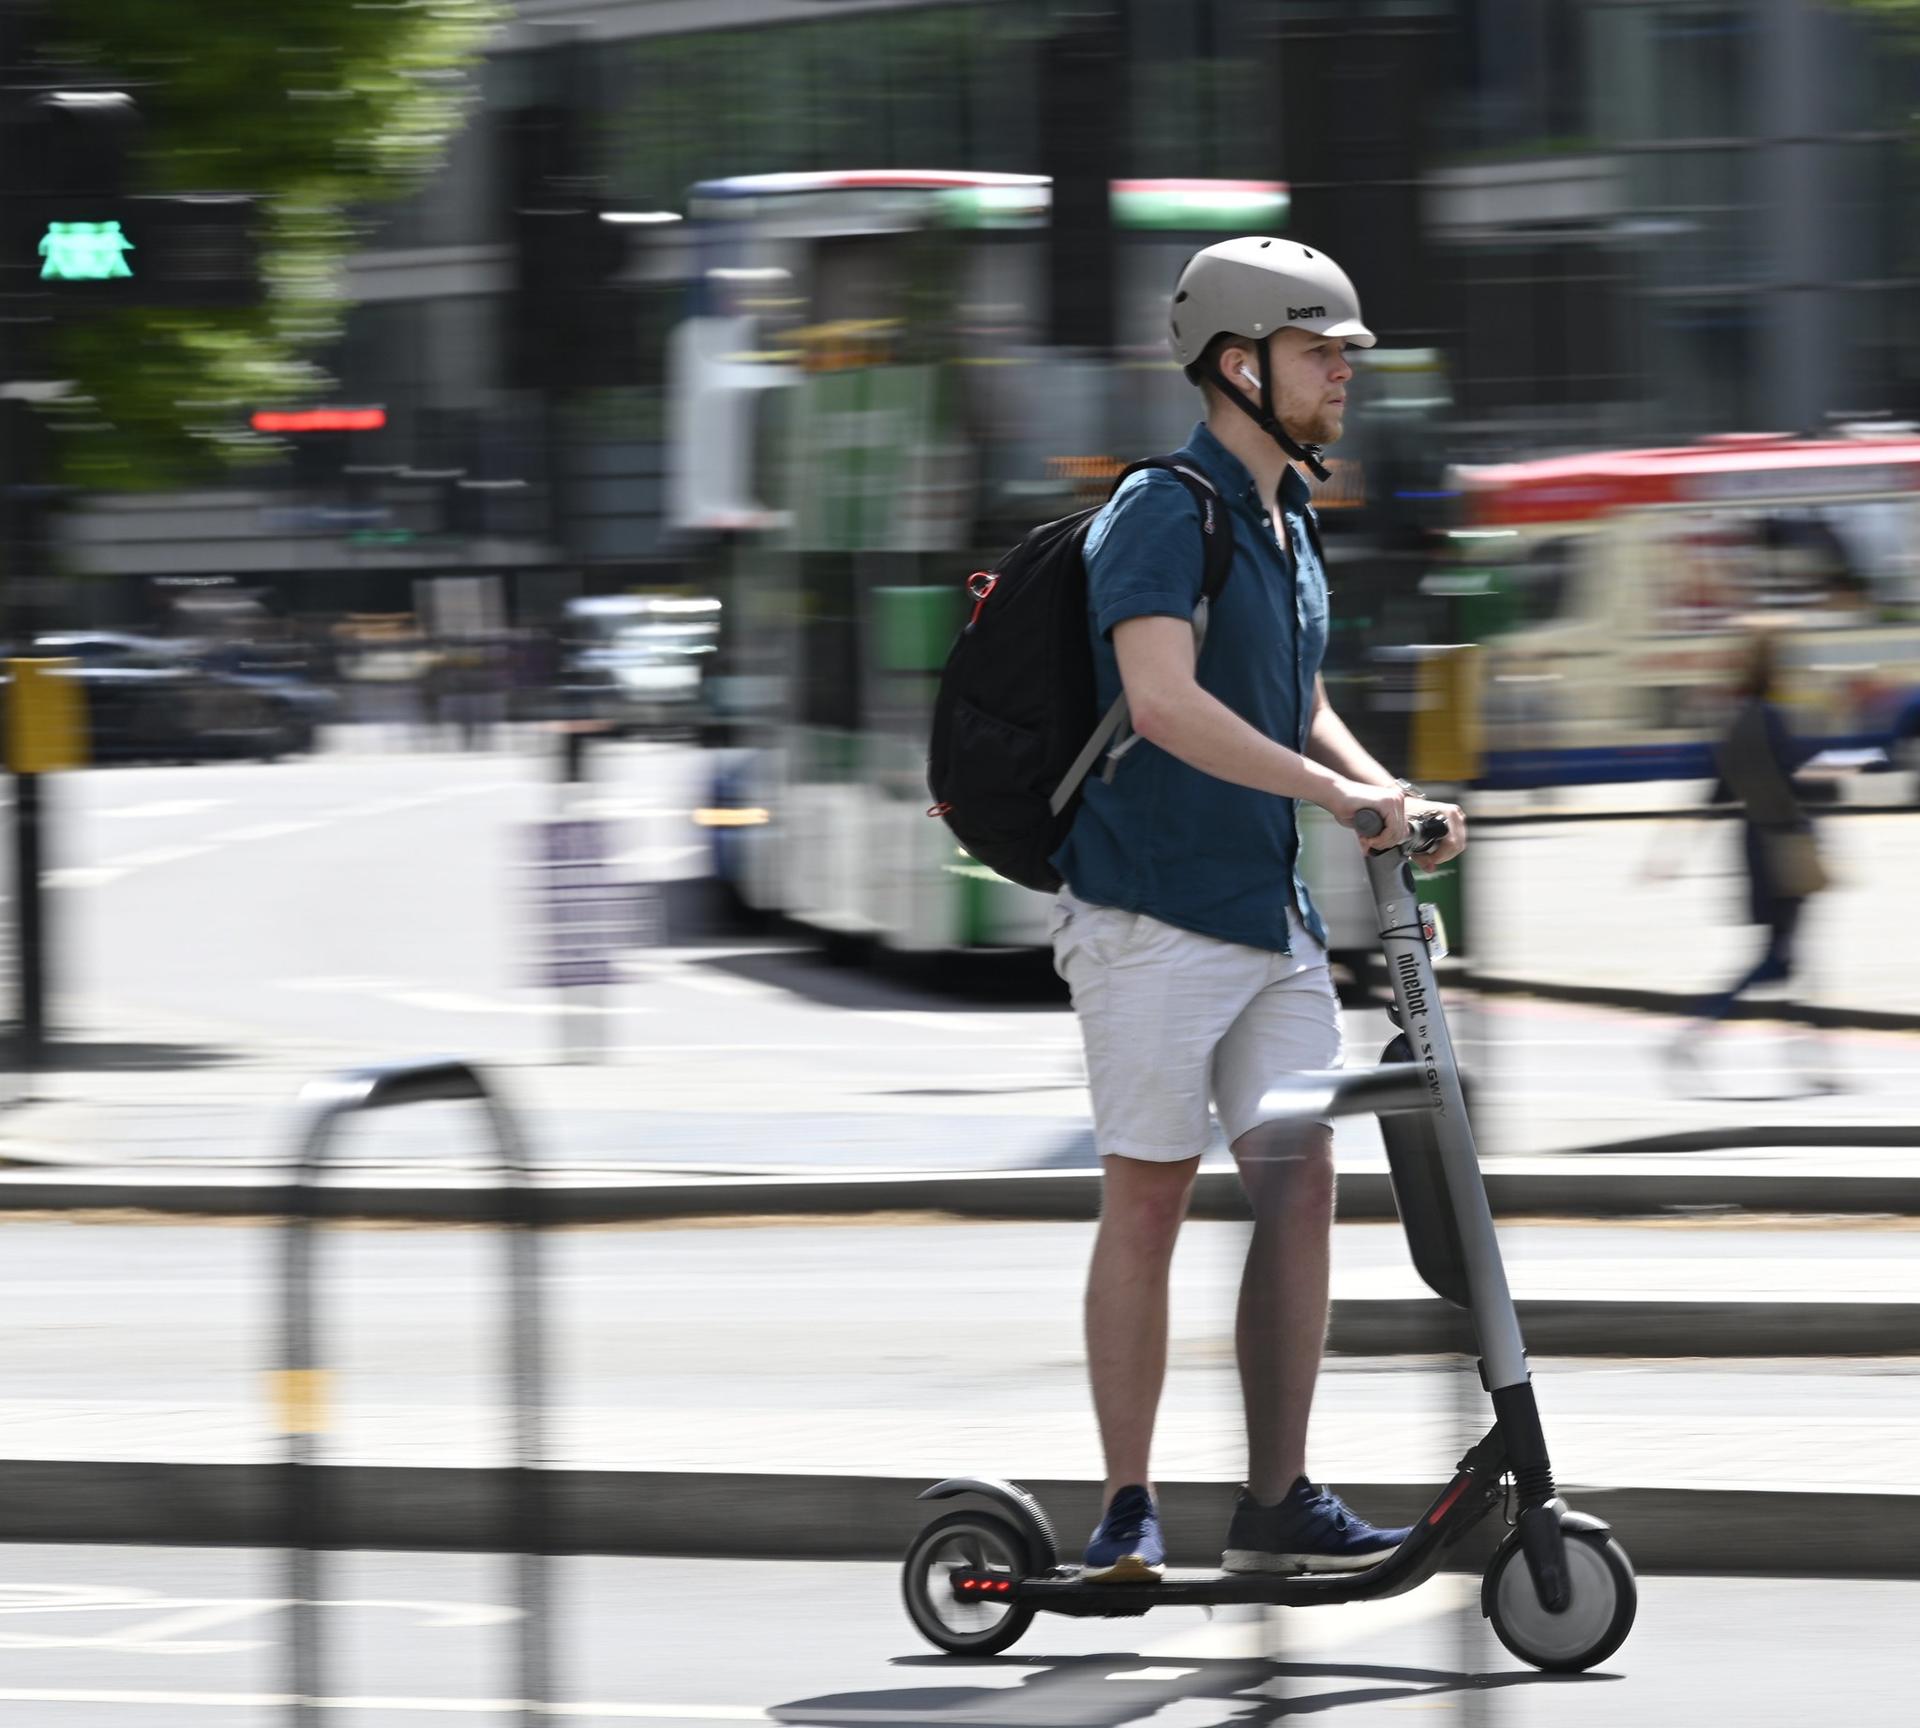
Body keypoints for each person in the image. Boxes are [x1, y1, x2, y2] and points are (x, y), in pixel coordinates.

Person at [1051, 237, 1467, 1582]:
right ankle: (1126, 1506)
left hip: (1266, 912)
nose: (1345, 368)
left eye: (1345, 348)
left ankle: (1278, 1494)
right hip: (1151, 909)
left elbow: (1300, 702)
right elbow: (1164, 702)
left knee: (1302, 1188)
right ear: (1239, 364)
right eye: (1316, 347)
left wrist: (1379, 786)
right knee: (1153, 1196)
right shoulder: (1164, 510)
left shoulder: (1289, 522)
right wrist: (1338, 803)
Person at [1664, 628, 1836, 1087]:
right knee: (1780, 959)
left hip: (1755, 846)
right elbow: (1799, 779)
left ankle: (1808, 1061)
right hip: (1784, 847)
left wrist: (1672, 848)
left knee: (1786, 956)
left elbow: (1717, 789)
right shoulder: (1772, 719)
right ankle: (1694, 1033)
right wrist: (1840, 771)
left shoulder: (1738, 720)